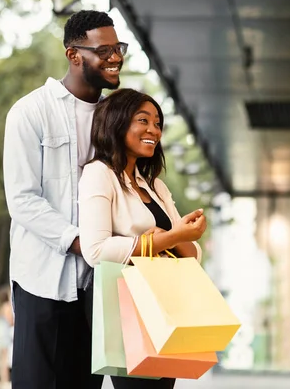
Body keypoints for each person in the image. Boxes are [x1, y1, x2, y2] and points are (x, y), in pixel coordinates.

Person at [2, 10, 126, 388]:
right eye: (104, 50)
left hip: (99, 287)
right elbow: (22, 200)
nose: (116, 57)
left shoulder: (116, 119)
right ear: (74, 55)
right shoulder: (30, 111)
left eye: (118, 48)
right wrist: (84, 243)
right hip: (42, 281)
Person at [78, 88, 207, 388]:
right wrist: (165, 239)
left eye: (158, 123)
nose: (154, 130)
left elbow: (193, 254)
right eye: (143, 120)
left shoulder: (155, 187)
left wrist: (176, 235)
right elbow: (95, 250)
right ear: (117, 122)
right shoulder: (99, 174)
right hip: (125, 301)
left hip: (164, 300)